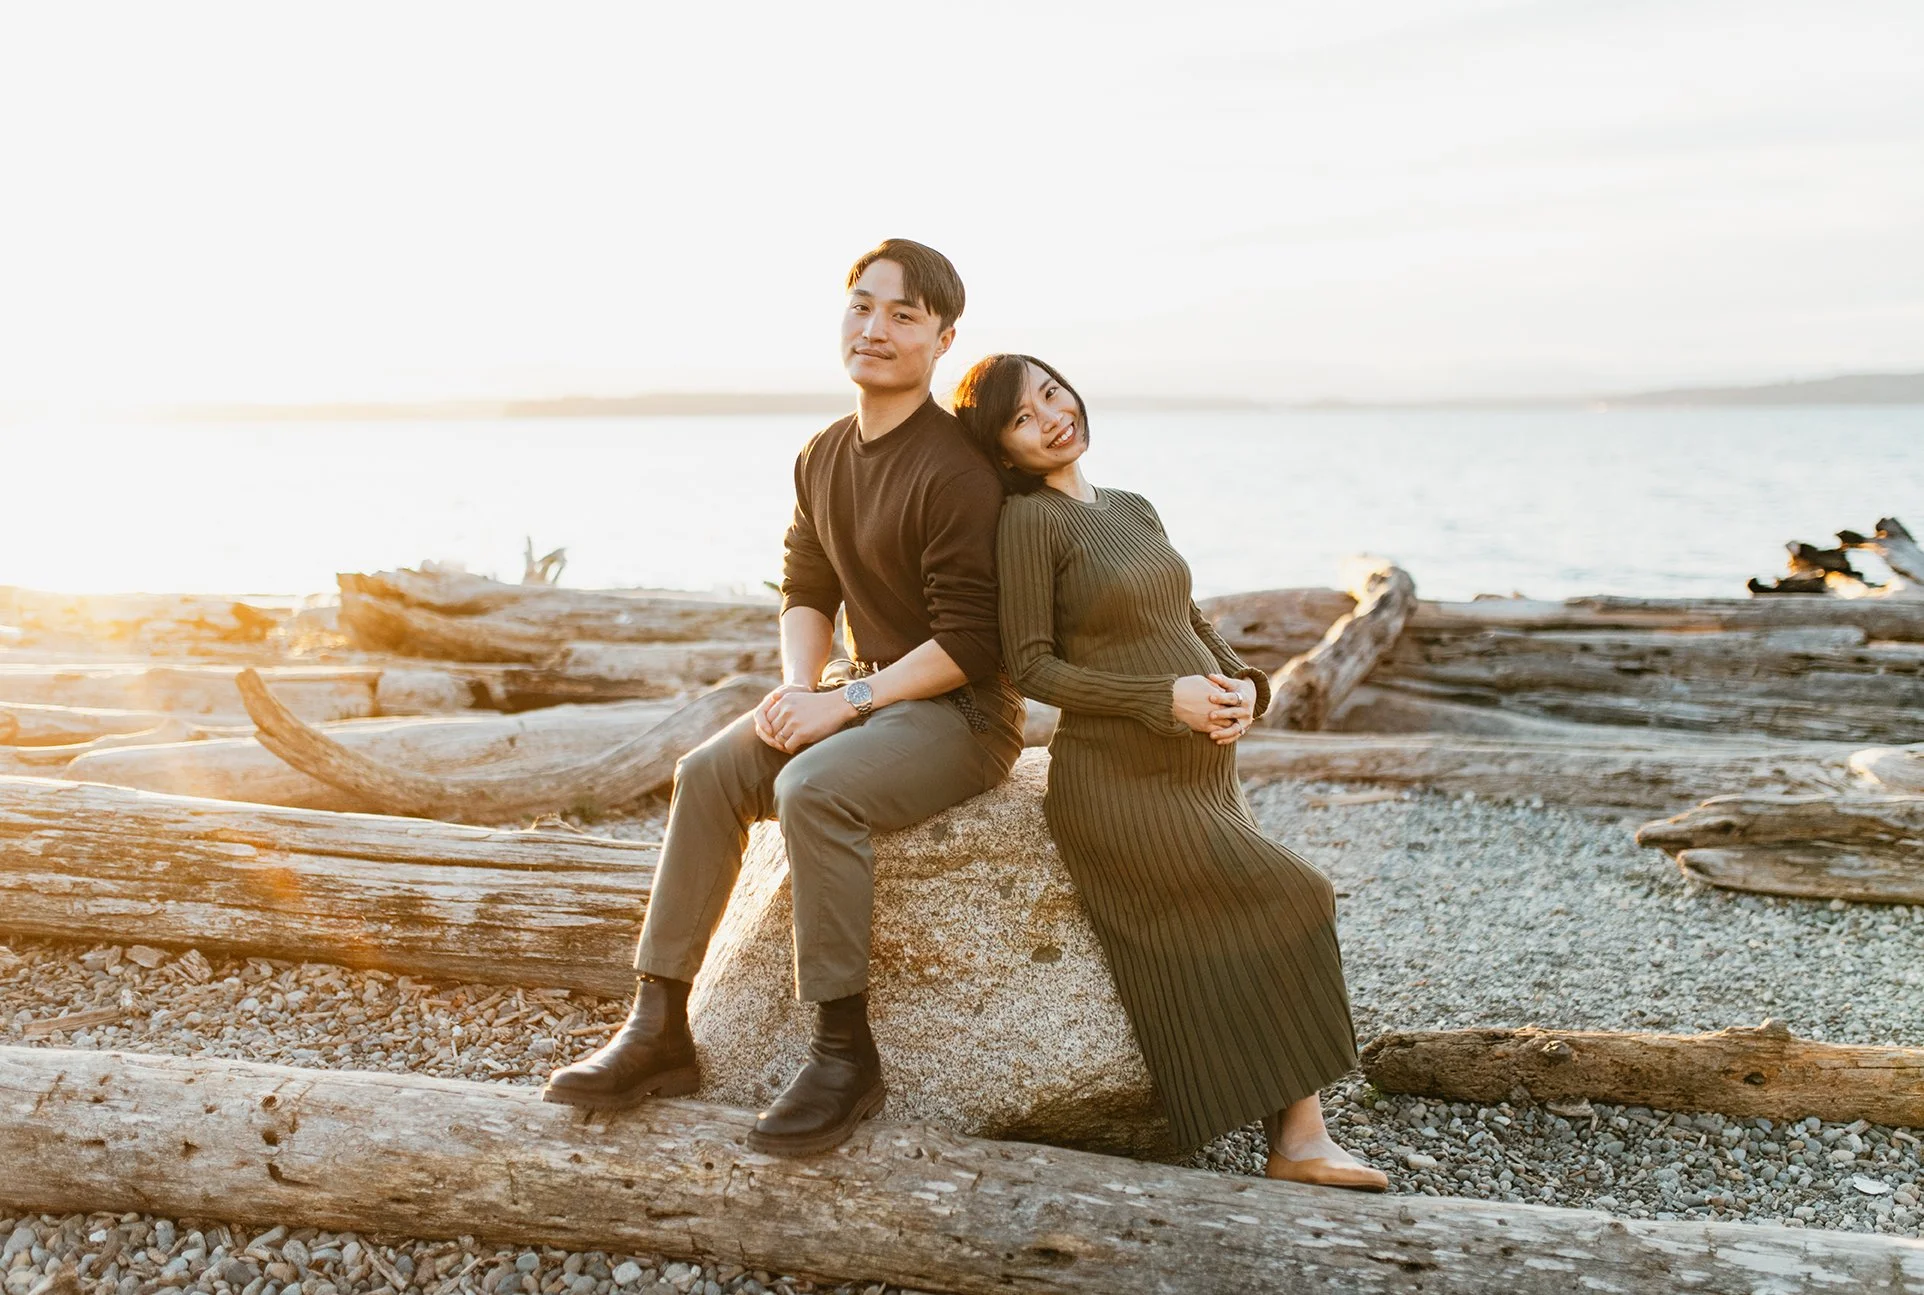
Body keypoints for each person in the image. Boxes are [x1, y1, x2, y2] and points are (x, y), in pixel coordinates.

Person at [543, 241, 1026, 1157]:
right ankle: (659, 1026)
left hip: (960, 713)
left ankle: (844, 1055)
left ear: (942, 340)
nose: (874, 328)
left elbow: (972, 642)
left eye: (903, 315)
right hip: (864, 692)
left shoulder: (955, 468)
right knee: (708, 769)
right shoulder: (823, 453)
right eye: (861, 305)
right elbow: (807, 585)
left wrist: (845, 705)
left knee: (814, 788)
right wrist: (800, 689)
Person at [952, 353, 1386, 1191]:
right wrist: (1163, 699)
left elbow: (1187, 616)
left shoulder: (1131, 505)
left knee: (1262, 911)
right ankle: (1299, 1140)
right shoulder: (1030, 522)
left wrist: (1248, 686)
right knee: (1297, 892)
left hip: (1203, 778)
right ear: (1003, 449)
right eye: (1022, 418)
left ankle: (1296, 1134)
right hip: (1118, 783)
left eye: (1052, 393)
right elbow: (1032, 667)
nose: (1052, 417)